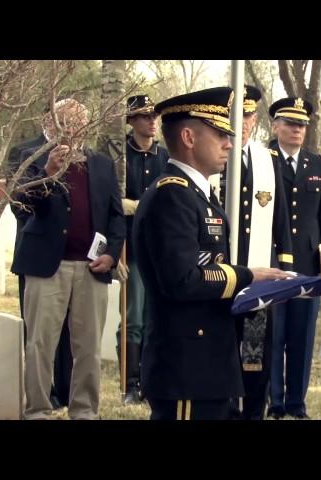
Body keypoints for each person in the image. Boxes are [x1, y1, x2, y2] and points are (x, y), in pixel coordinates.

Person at [132, 87, 291, 420]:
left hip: (208, 365)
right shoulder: (172, 196)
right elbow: (183, 280)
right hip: (186, 368)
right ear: (189, 137)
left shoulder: (197, 194)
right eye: (220, 134)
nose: (229, 143)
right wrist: (248, 275)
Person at [11, 98, 126, 419]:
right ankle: (36, 410)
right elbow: (21, 207)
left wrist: (112, 255)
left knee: (87, 347)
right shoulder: (30, 158)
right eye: (66, 122)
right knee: (39, 345)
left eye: (79, 122)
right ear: (51, 124)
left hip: (92, 268)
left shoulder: (102, 163)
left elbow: (116, 217)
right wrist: (47, 172)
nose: (73, 129)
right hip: (46, 267)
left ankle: (85, 411)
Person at [215, 85, 293, 420]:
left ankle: (253, 411)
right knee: (223, 349)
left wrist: (285, 264)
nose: (244, 122)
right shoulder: (215, 157)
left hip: (259, 270)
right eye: (238, 115)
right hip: (223, 269)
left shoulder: (266, 159)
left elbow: (281, 216)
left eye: (248, 115)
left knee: (256, 353)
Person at [267, 97, 321, 419]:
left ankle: (296, 403)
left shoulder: (318, 165)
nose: (297, 130)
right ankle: (274, 402)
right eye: (290, 123)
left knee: (301, 339)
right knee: (272, 337)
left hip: (308, 267)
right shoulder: (260, 160)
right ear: (275, 126)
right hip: (269, 264)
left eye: (302, 125)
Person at [117, 94, 169, 405]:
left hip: (158, 248)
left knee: (154, 317)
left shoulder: (164, 157)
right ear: (132, 120)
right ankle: (130, 384)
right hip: (131, 248)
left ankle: (150, 381)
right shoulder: (121, 155)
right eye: (145, 116)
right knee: (133, 318)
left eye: (154, 116)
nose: (152, 121)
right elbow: (112, 200)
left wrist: (140, 205)